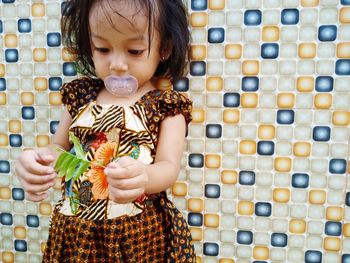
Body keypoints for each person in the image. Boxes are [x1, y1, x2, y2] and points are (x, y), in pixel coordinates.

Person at [15, 0, 195, 261]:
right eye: (102, 48)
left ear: (164, 48)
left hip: (135, 232)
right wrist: (37, 162)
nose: (117, 64)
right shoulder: (80, 97)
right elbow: (58, 148)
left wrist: (143, 176)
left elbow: (169, 166)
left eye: (134, 50)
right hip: (76, 228)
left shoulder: (165, 106)